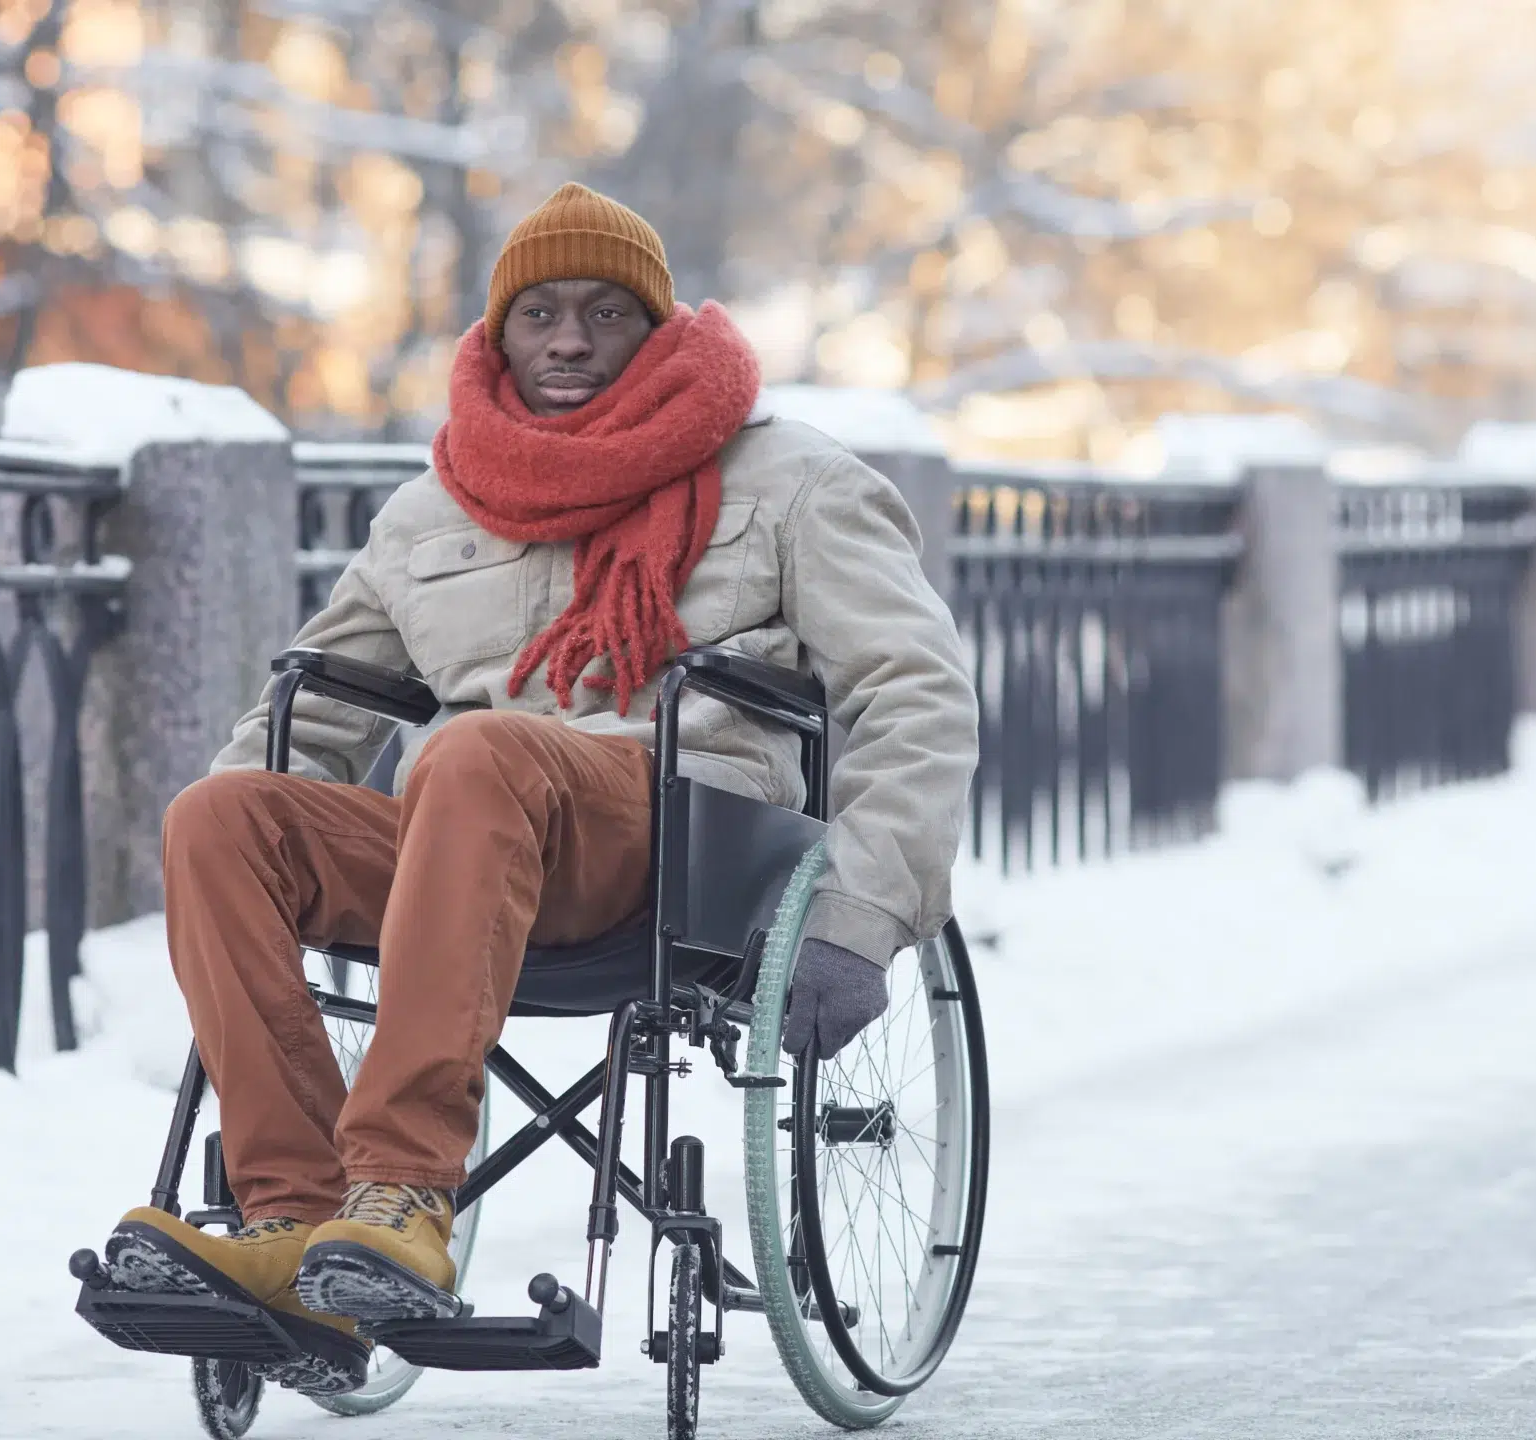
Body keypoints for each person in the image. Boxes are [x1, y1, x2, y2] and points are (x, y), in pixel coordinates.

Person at [93, 183, 977, 1395]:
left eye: (605, 315)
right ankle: (296, 1225)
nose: (567, 340)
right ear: (497, 337)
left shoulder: (791, 483)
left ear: (657, 330)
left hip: (680, 846)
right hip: (470, 850)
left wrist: (863, 916)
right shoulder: (435, 508)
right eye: (541, 315)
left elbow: (916, 692)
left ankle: (404, 1191)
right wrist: (239, 902)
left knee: (473, 751)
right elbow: (321, 715)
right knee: (224, 813)